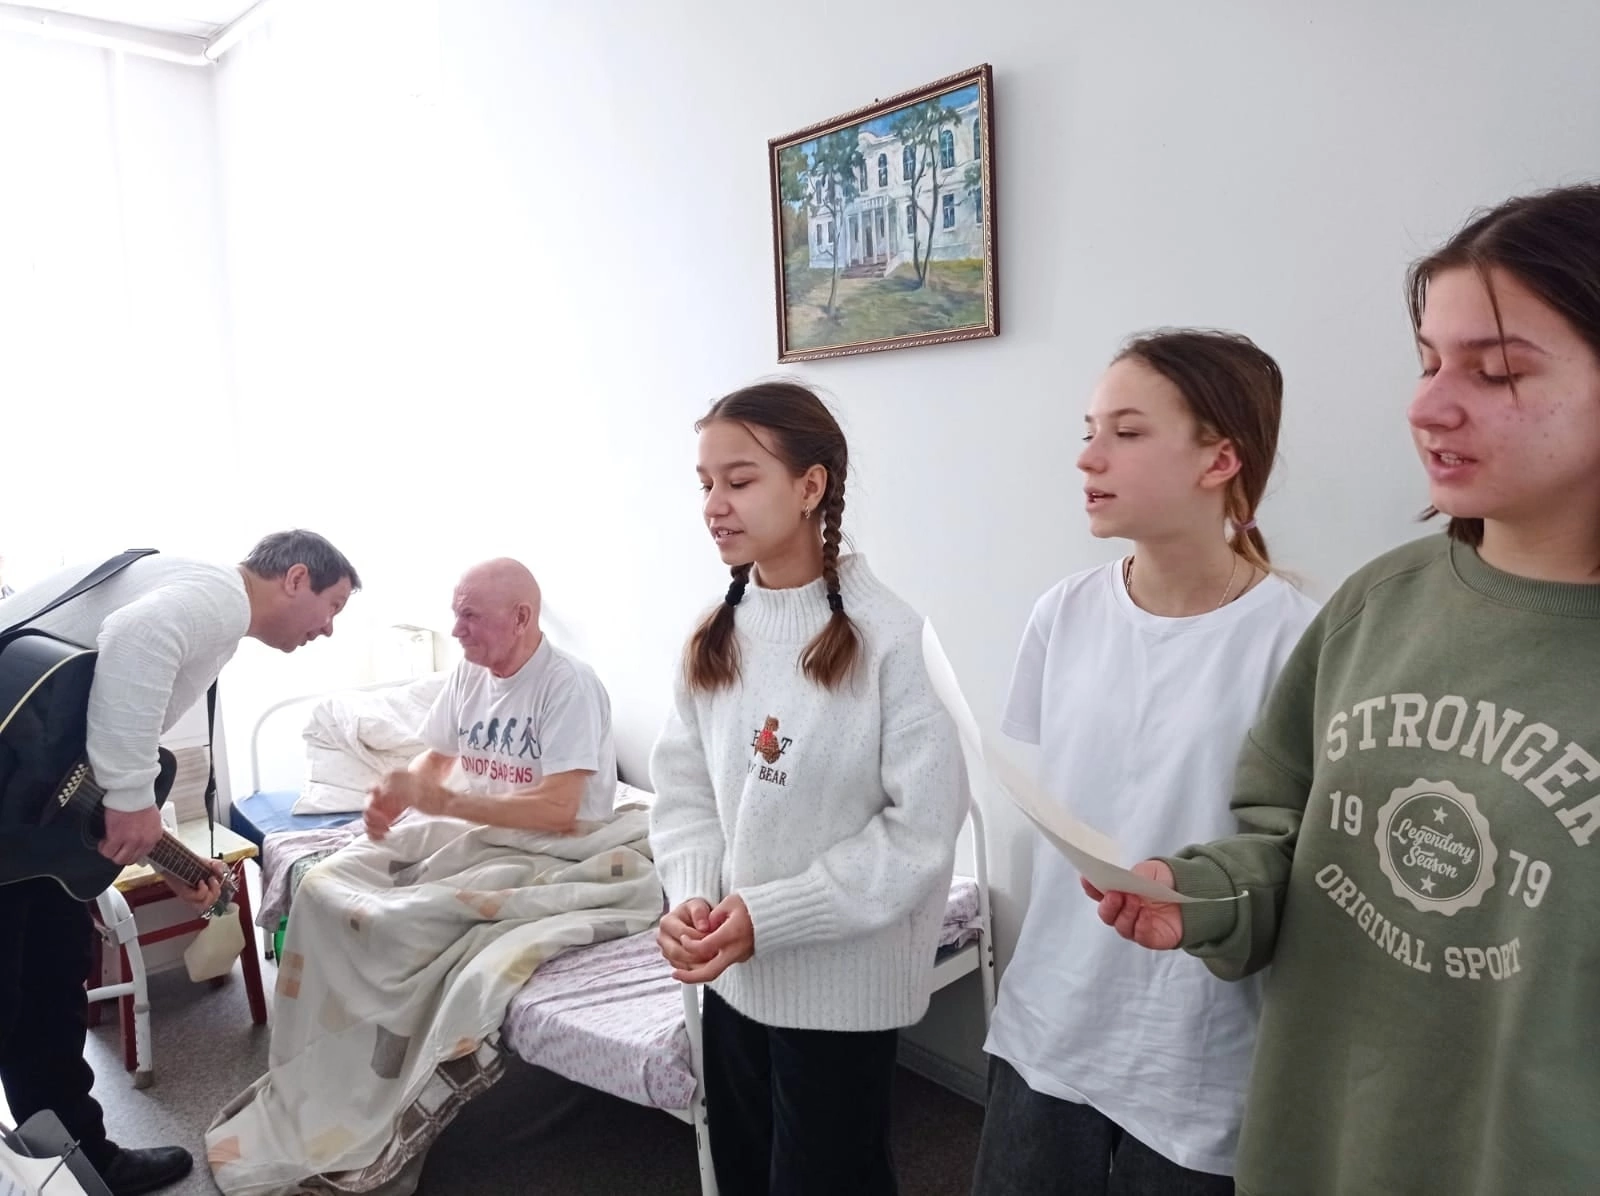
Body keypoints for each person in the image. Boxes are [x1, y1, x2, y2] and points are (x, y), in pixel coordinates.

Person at [1092, 183, 1600, 1194]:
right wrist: (1207, 892)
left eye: (1497, 371)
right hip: (1317, 1144)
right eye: (1428, 360)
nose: (1426, 405)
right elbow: (1294, 836)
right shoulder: (1380, 601)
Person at [969, 329, 1320, 1195]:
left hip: (1197, 1051)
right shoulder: (1065, 612)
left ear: (1220, 459)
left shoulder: (1299, 640)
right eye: (1090, 431)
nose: (1089, 457)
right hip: (1051, 1019)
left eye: (1126, 432)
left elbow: (1298, 857)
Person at [649, 381, 970, 1195]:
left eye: (739, 479)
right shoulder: (714, 633)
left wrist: (771, 915)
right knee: (744, 1175)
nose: (714, 505)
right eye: (705, 483)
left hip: (840, 992)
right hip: (733, 979)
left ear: (810, 486)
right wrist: (692, 893)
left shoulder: (892, 640)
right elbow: (684, 790)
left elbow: (921, 834)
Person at [0, 529, 358, 1196]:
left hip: (21, 816)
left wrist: (169, 855)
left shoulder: (188, 591)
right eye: (333, 604)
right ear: (295, 578)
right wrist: (133, 797)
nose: (331, 628)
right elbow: (136, 640)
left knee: (47, 993)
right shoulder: (217, 593)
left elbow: (83, 758)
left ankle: (81, 1161)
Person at [364, 557, 617, 837]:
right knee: (358, 859)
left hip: (561, 843)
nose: (456, 630)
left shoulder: (570, 685)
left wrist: (448, 803)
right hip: (496, 833)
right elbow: (438, 759)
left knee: (416, 864)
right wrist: (400, 796)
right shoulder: (469, 671)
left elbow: (559, 808)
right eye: (456, 615)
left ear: (520, 618)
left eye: (470, 615)